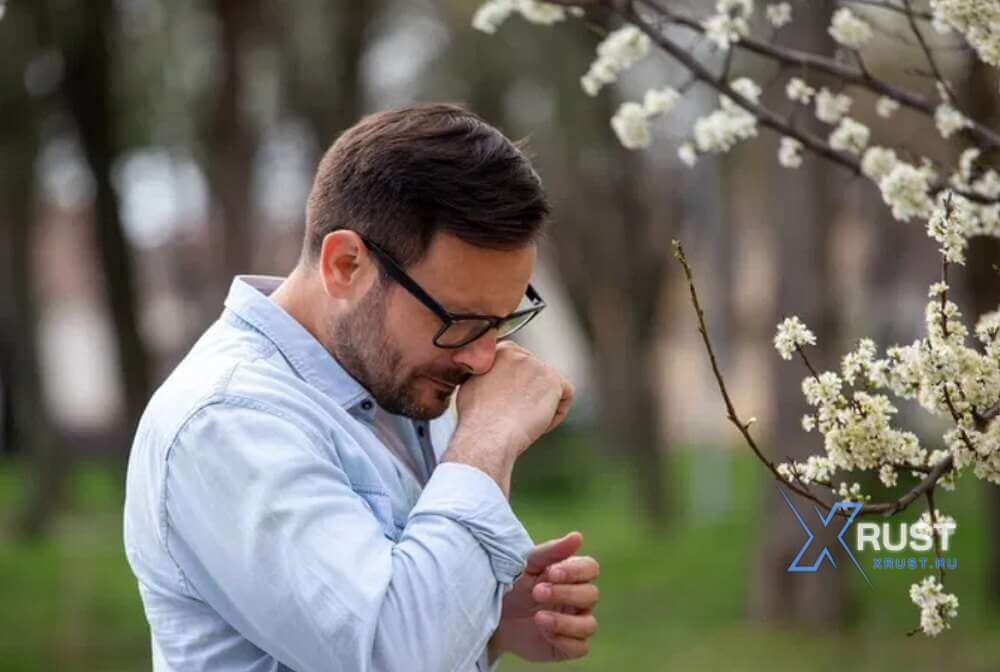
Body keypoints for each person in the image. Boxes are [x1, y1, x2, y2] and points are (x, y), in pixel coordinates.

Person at [123, 103, 600, 671]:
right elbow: (390, 656)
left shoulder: (397, 381)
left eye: (498, 322)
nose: (480, 359)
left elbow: (410, 631)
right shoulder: (227, 420)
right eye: (459, 321)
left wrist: (484, 623)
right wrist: (489, 436)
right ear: (346, 265)